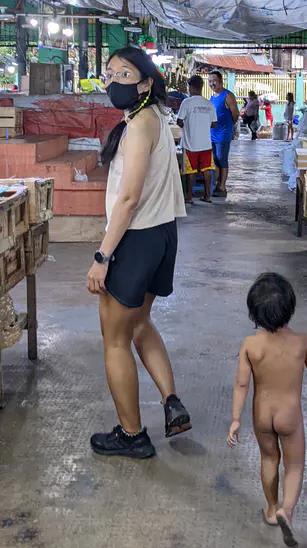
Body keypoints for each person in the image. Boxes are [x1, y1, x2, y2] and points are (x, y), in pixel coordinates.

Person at [87, 47, 191, 460]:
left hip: (137, 238)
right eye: (110, 73)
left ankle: (131, 435)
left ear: (146, 82)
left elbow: (128, 199)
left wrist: (102, 256)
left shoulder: (139, 126)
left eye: (125, 74)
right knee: (141, 322)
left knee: (115, 338)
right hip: (163, 234)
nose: (114, 81)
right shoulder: (156, 119)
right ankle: (171, 400)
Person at [227, 272, 307, 548]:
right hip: (289, 416)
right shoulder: (302, 342)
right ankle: (288, 511)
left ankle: (271, 509)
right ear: (291, 309)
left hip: (262, 415)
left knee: (269, 460)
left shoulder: (251, 345)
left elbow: (241, 384)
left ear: (253, 312)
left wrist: (236, 419)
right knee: (294, 464)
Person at [177, 75, 217, 204]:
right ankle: (207, 195)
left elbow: (179, 121)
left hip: (190, 144)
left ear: (192, 87)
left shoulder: (187, 102)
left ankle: (189, 197)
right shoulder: (209, 103)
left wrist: (188, 123)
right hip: (206, 144)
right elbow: (214, 123)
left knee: (190, 171)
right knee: (206, 169)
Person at [208, 70, 239, 197]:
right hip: (213, 133)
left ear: (220, 81)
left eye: (214, 81)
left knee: (222, 159)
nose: (212, 83)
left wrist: (229, 127)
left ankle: (222, 186)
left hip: (223, 133)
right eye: (210, 81)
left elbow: (235, 113)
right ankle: (218, 183)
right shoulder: (212, 97)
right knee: (215, 159)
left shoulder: (227, 95)